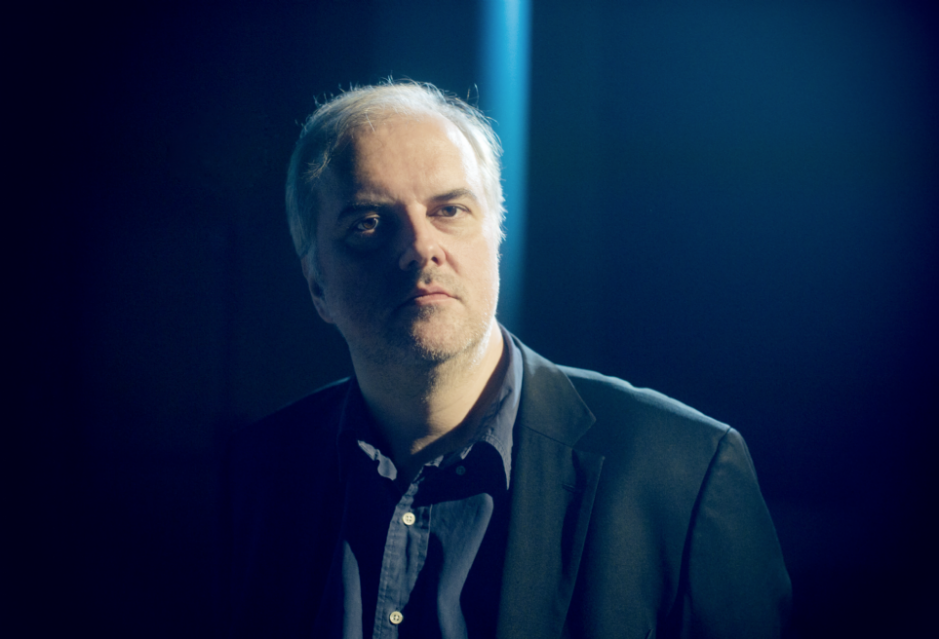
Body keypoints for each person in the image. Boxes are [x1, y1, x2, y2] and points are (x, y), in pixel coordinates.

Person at [220, 80, 791, 638]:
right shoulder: (251, 477)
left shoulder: (684, 471)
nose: (420, 247)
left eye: (449, 210)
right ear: (317, 285)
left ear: (495, 238)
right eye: (368, 223)